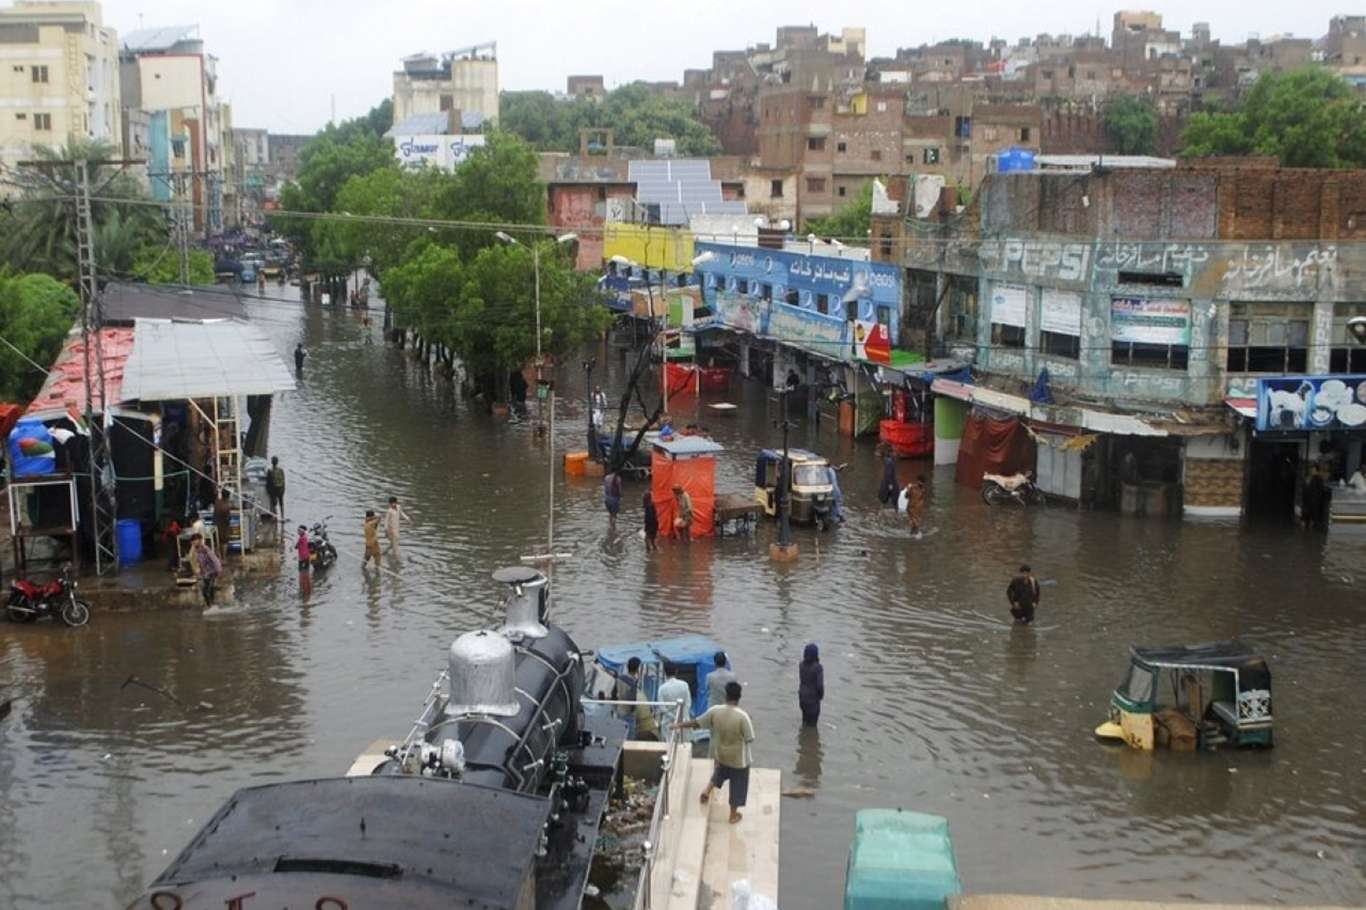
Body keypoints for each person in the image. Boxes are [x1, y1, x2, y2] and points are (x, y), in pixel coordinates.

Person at [679, 681, 755, 824]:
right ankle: (733, 815)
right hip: (739, 760)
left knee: (720, 773)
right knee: (738, 786)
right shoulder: (743, 717)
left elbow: (697, 723)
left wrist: (679, 725)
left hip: (721, 754)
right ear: (739, 696)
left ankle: (706, 792)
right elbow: (750, 738)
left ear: (726, 695)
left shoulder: (715, 710)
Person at [657, 661, 692, 742]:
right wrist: (682, 716)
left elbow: (662, 708)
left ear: (665, 672)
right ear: (676, 671)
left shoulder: (662, 688)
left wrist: (673, 717)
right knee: (683, 746)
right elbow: (688, 703)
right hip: (683, 721)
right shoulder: (684, 685)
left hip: (668, 724)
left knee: (669, 748)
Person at [190, 533, 222, 607]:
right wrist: (197, 572)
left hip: (212, 572)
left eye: (195, 540)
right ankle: (210, 605)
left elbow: (215, 560)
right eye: (193, 541)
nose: (194, 542)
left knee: (208, 590)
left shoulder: (206, 550)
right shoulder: (194, 551)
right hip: (205, 573)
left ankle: (212, 605)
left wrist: (219, 571)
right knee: (205, 590)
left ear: (200, 540)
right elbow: (195, 562)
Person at [798, 642, 824, 727]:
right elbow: (820, 685)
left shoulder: (801, 665)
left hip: (802, 698)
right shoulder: (818, 668)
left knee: (804, 722)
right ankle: (810, 739)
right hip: (813, 700)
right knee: (813, 726)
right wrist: (821, 696)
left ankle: (803, 737)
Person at [213, 488, 232, 559]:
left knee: (217, 541)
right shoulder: (226, 506)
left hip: (216, 524)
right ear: (228, 497)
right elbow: (228, 518)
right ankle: (224, 557)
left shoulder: (217, 502)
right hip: (224, 526)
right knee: (224, 542)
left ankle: (218, 557)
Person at [266, 456, 285, 521]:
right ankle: (282, 517)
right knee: (281, 503)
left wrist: (268, 491)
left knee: (274, 504)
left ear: (272, 462)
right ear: (277, 462)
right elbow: (283, 481)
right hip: (281, 490)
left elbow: (268, 482)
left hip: (274, 490)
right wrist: (283, 490)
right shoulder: (281, 470)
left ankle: (275, 516)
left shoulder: (270, 471)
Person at [296, 525, 312, 596]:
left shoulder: (301, 538)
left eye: (299, 530)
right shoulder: (305, 537)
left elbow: (296, 546)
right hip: (306, 557)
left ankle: (303, 589)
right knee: (306, 573)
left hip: (302, 558)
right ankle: (306, 589)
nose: (298, 532)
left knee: (302, 574)